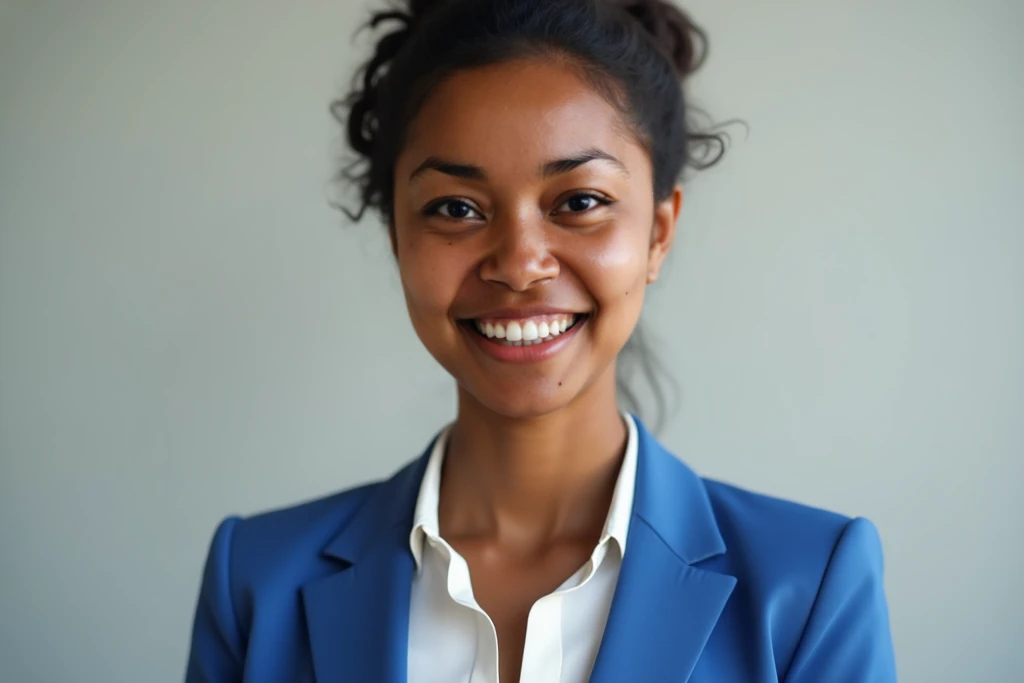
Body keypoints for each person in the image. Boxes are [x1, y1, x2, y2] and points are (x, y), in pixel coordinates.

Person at [185, 0, 897, 680]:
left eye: (580, 202)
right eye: (455, 207)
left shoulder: (809, 589)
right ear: (396, 235)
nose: (520, 263)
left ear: (657, 230)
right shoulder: (254, 581)